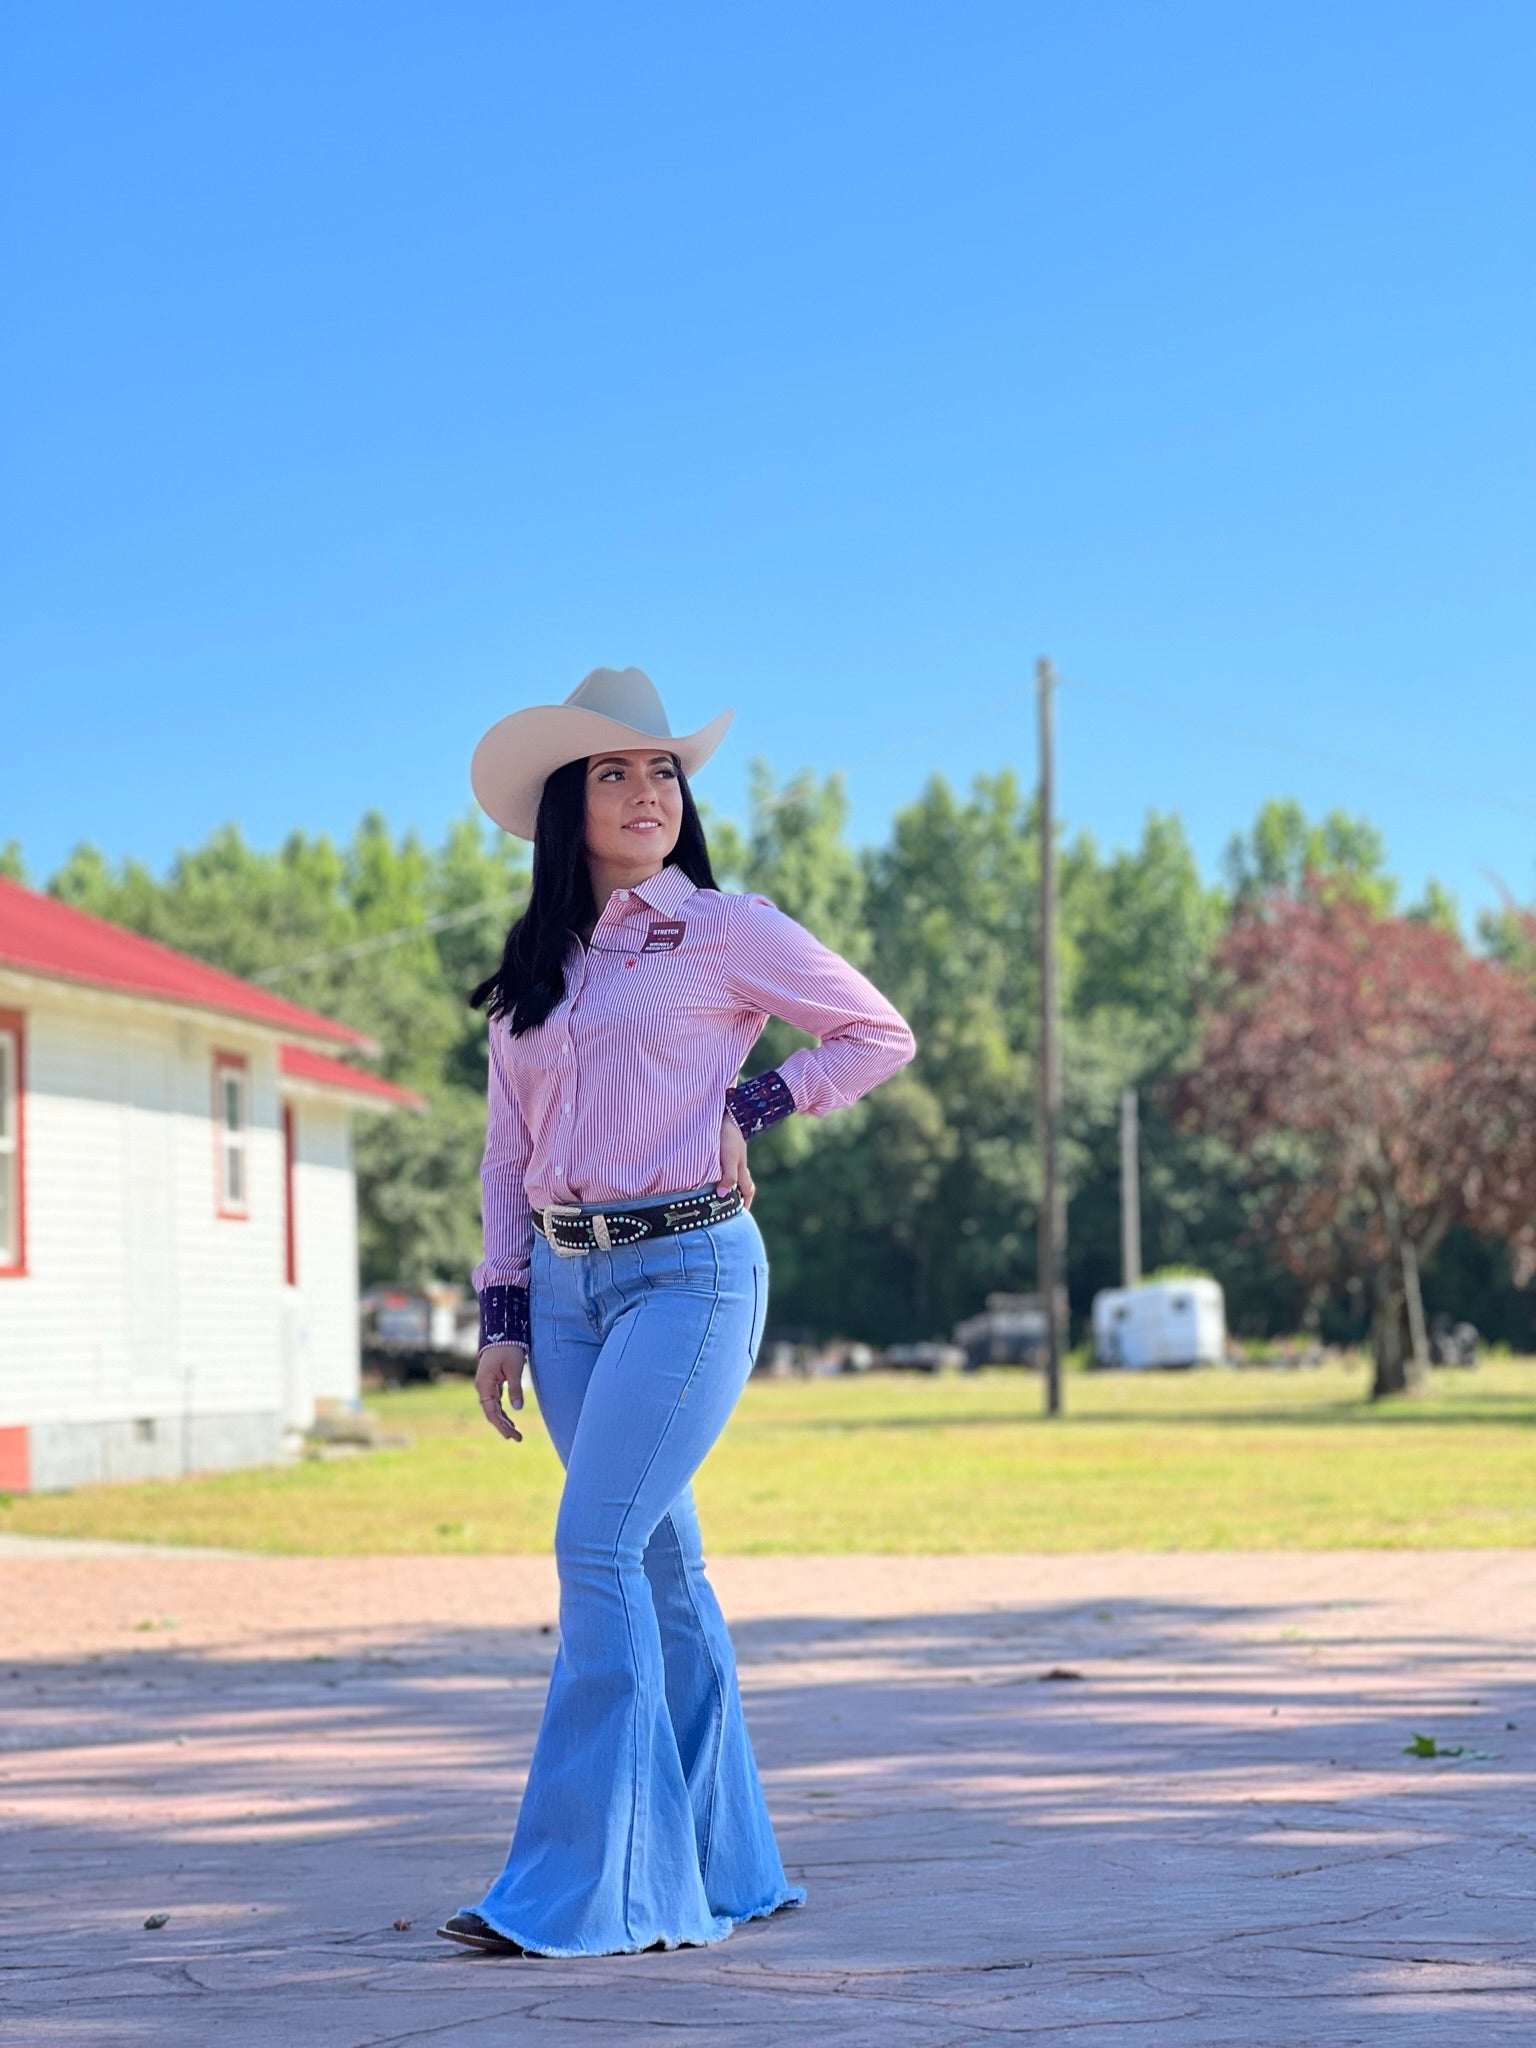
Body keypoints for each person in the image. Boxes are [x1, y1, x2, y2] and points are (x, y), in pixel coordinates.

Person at [438, 667, 916, 1959]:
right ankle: (726, 1866)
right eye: (615, 771)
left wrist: (751, 1105)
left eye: (665, 772)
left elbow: (877, 1035)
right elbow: (503, 1155)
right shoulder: (539, 969)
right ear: (563, 803)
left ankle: (590, 1891)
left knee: (593, 1548)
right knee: (663, 1571)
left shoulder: (727, 928)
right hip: (574, 1287)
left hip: (692, 1274)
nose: (649, 793)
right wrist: (504, 1314)